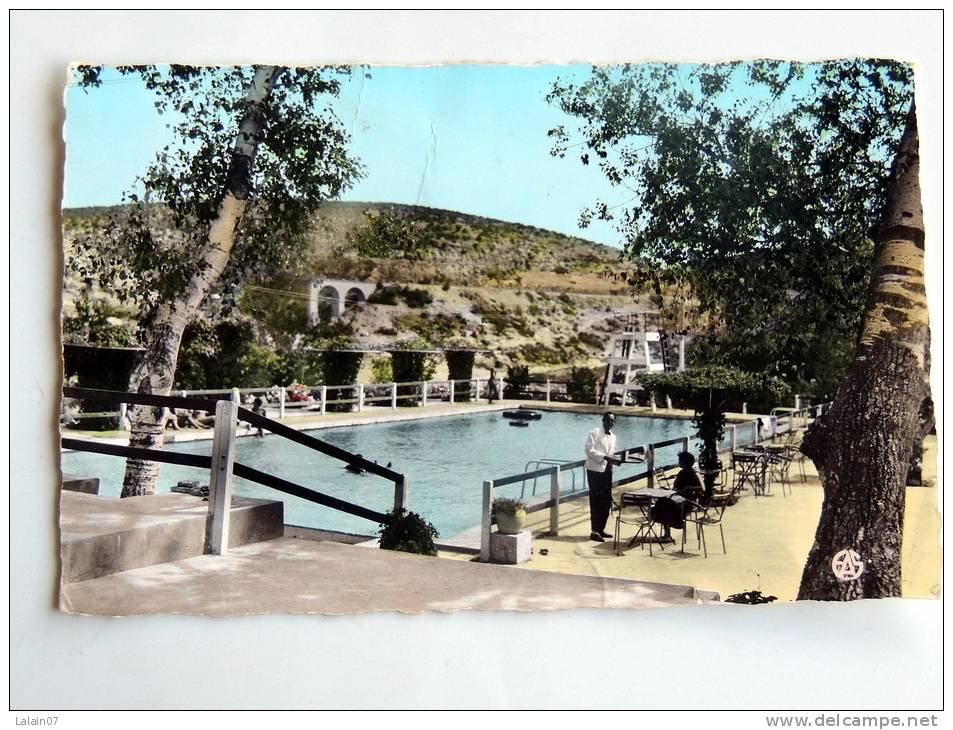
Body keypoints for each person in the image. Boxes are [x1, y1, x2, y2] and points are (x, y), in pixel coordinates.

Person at [584, 412, 623, 542]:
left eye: (612, 421)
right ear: (603, 420)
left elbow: (611, 454)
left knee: (606, 500)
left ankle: (601, 528)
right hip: (594, 470)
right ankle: (594, 531)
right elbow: (589, 450)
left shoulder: (613, 437)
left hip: (607, 470)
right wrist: (604, 457)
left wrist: (616, 460)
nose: (610, 423)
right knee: (595, 500)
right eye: (608, 420)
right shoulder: (595, 432)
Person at [651, 451, 704, 540]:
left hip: (686, 503)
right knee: (662, 501)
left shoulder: (692, 474)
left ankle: (667, 530)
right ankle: (665, 531)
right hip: (678, 498)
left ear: (684, 462)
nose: (678, 462)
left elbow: (700, 489)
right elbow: (676, 488)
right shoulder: (682, 473)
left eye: (680, 461)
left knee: (663, 504)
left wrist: (688, 488)